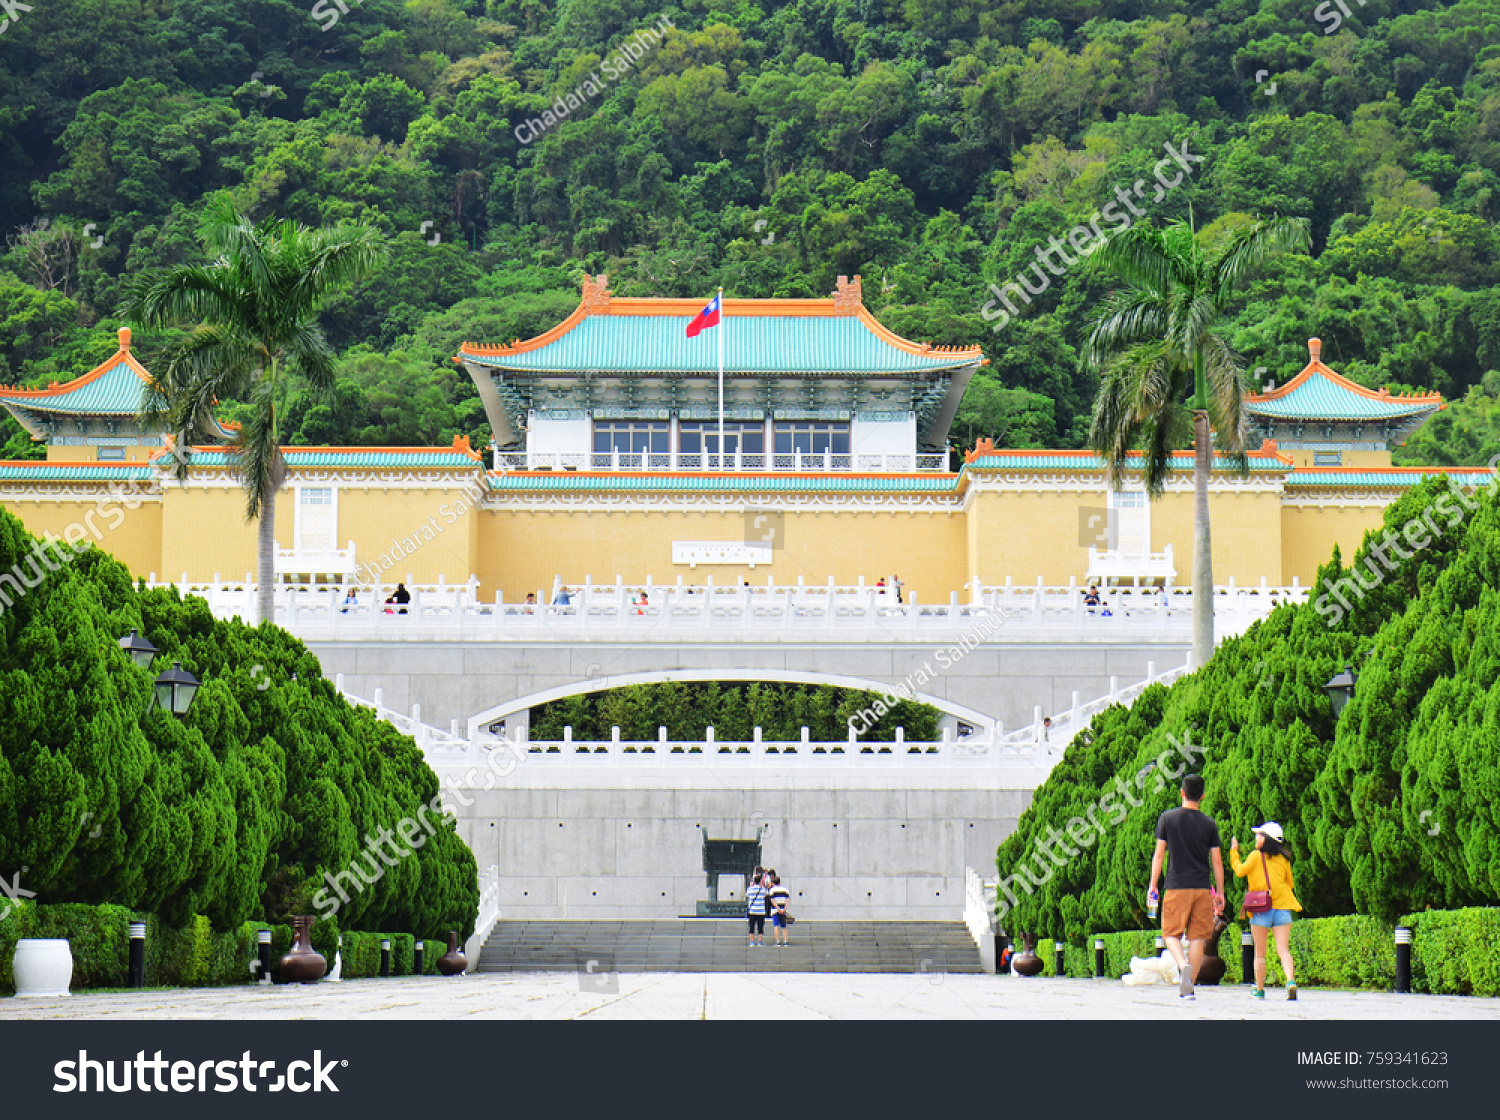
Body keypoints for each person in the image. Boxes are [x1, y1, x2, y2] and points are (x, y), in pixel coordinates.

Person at [1147, 772, 1225, 1000]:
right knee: (1198, 938)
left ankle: (1183, 965)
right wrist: (1219, 892)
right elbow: (1217, 861)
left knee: (1170, 933)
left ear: (1182, 792)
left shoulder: (1167, 819)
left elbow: (1159, 854)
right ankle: (1189, 985)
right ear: (1203, 795)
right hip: (1202, 888)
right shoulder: (1209, 824)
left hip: (1176, 886)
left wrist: (1153, 885)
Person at [1232, 823, 1302, 1001]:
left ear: (1266, 839)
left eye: (1259, 835)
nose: (1256, 838)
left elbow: (1240, 871)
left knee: (1260, 954)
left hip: (1261, 908)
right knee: (1284, 950)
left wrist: (1234, 852)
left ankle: (1260, 989)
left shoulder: (1255, 856)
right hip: (1283, 907)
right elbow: (1290, 884)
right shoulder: (1284, 859)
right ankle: (1291, 982)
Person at [746, 868, 768, 947]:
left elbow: (747, 895)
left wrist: (751, 885)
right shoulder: (762, 890)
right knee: (760, 927)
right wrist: (762, 885)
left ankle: (752, 942)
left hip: (752, 911)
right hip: (761, 911)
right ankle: (760, 942)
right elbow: (766, 895)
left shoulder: (750, 889)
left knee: (751, 927)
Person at [768, 873, 790, 946]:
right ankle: (785, 941)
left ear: (773, 883)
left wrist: (778, 908)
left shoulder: (772, 890)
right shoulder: (785, 889)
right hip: (783, 910)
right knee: (784, 927)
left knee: (776, 926)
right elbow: (787, 900)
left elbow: (772, 900)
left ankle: (778, 941)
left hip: (775, 910)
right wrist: (784, 909)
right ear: (780, 882)